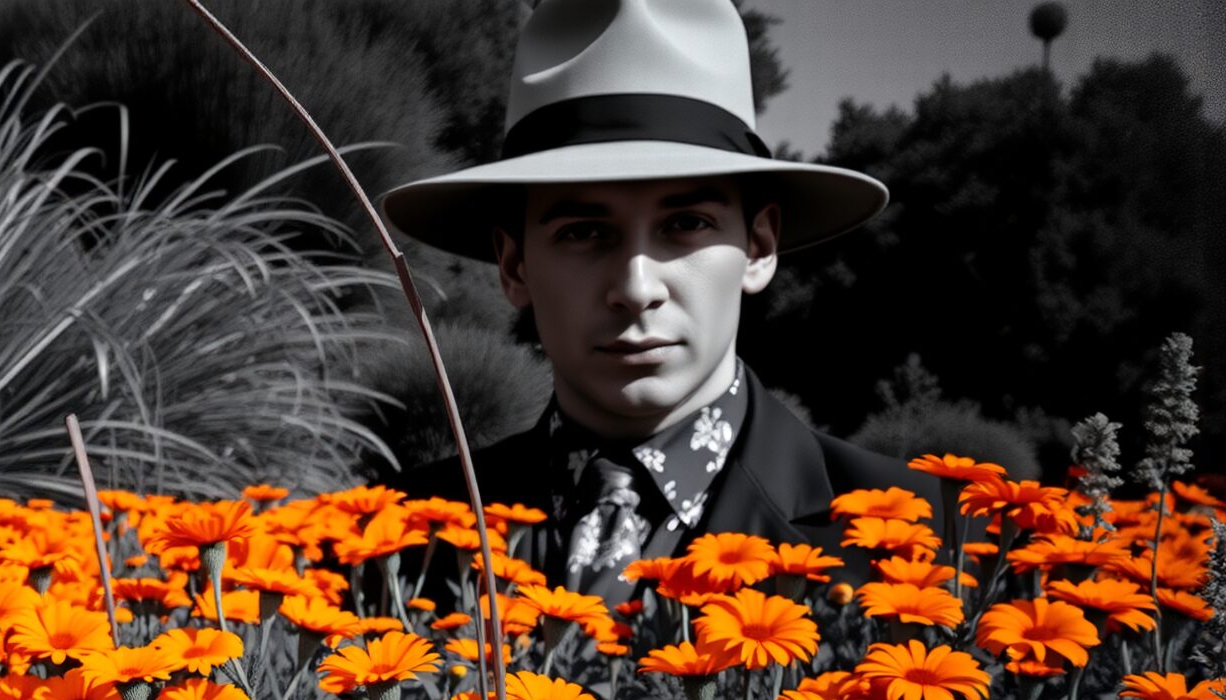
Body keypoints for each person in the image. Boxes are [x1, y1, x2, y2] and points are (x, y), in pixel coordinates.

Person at [374, 0, 944, 604]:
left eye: (687, 224)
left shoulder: (940, 542)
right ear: (515, 267)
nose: (636, 288)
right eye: (583, 232)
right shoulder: (383, 546)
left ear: (758, 247)